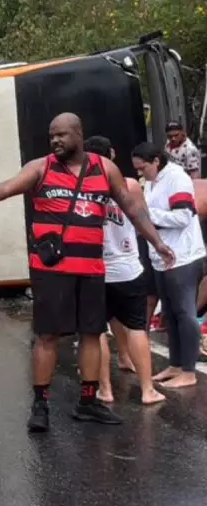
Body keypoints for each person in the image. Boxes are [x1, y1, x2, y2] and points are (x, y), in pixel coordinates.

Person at [0, 113, 174, 432]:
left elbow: (131, 207)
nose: (55, 140)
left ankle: (88, 401)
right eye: (51, 135)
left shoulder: (103, 168)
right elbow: (6, 188)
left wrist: (158, 242)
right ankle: (40, 405)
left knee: (91, 333)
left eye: (61, 135)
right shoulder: (41, 167)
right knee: (47, 336)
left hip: (92, 269)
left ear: (79, 135)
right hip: (53, 270)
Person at [82, 137, 166, 405]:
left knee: (97, 333)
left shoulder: (81, 188)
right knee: (137, 327)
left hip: (94, 269)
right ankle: (146, 389)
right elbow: (143, 219)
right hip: (127, 267)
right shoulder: (129, 186)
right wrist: (159, 246)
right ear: (113, 154)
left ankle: (105, 389)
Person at [132, 142, 206, 389]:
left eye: (144, 168)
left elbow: (185, 216)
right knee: (169, 314)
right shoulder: (153, 181)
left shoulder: (176, 178)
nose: (141, 174)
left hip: (183, 256)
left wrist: (147, 215)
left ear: (156, 161)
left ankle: (189, 370)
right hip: (162, 257)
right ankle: (175, 364)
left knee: (185, 313)